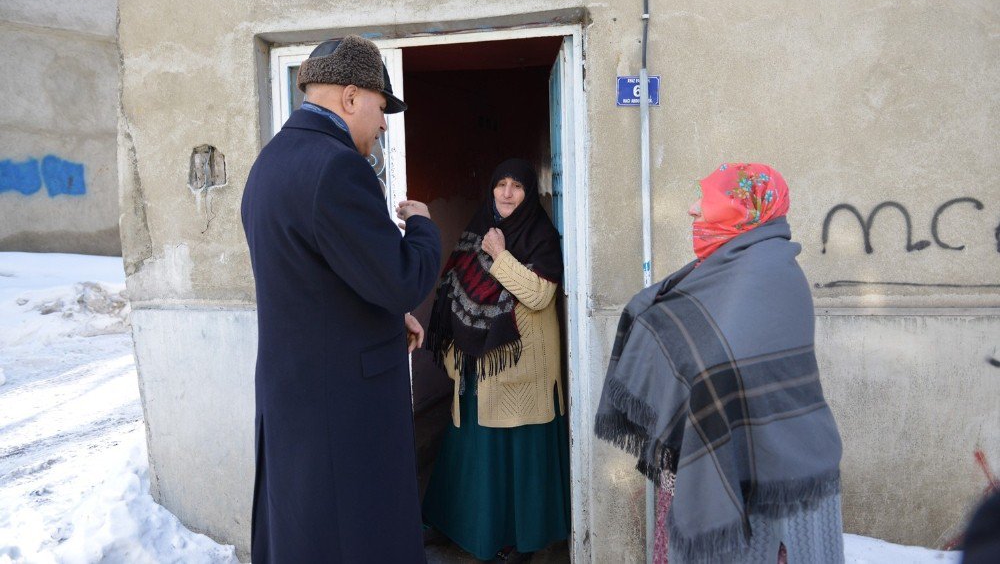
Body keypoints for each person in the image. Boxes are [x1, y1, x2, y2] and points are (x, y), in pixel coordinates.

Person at [241, 35, 442, 563]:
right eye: (380, 109)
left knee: (305, 535)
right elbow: (401, 278)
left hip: (297, 399)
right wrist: (421, 228)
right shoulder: (336, 167)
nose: (382, 125)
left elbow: (314, 280)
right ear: (351, 97)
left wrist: (384, 314)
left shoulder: (271, 163)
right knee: (356, 539)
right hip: (343, 412)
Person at [595, 163, 844, 564]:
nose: (693, 209)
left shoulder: (765, 272)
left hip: (757, 470)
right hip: (709, 451)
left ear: (742, 211)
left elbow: (722, 367)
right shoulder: (726, 266)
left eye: (707, 200)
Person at [422, 158, 570, 563]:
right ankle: (455, 526)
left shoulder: (541, 236)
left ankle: (524, 540)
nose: (506, 193)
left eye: (516, 186)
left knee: (518, 459)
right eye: (500, 184)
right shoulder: (477, 230)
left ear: (529, 193)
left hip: (520, 373)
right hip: (475, 370)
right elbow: (453, 288)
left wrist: (501, 256)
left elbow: (539, 296)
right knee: (470, 455)